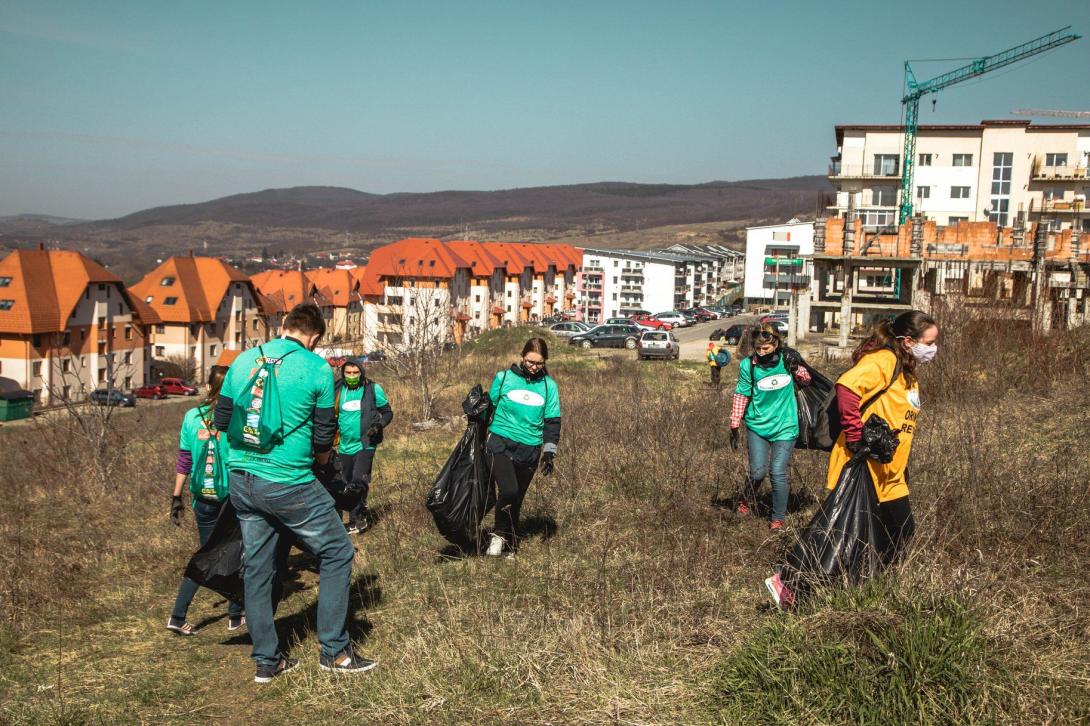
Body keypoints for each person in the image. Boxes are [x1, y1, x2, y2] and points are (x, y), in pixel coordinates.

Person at [215, 303, 376, 683]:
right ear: (315, 337)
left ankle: (268, 661)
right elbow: (323, 438)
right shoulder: (318, 368)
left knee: (258, 567)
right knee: (337, 551)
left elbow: (222, 421)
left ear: (283, 326)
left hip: (241, 477)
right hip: (288, 480)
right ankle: (335, 652)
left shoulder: (242, 361)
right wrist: (322, 464)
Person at [764, 310, 939, 609]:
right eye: (929, 342)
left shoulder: (907, 372)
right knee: (845, 529)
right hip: (863, 464)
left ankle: (868, 589)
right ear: (908, 341)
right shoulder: (885, 360)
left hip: (891, 472)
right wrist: (856, 436)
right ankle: (788, 583)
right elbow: (847, 388)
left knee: (893, 532)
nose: (933, 349)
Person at [167, 365, 244, 636]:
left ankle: (178, 615)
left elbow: (184, 459)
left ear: (209, 386)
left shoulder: (191, 416)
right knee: (236, 552)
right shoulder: (236, 416)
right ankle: (235, 614)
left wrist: (176, 495)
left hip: (202, 496)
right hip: (229, 495)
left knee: (207, 556)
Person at [728, 324, 811, 530]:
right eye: (758, 348)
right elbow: (742, 393)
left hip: (785, 426)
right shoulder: (749, 365)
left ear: (776, 344)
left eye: (766, 348)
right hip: (758, 425)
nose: (762, 352)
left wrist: (796, 369)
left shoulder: (786, 360)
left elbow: (807, 380)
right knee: (757, 472)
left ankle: (777, 519)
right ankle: (744, 500)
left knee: (777, 472)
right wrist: (735, 422)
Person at [484, 337, 562, 557]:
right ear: (522, 357)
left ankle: (511, 544)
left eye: (539, 363)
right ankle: (498, 535)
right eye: (530, 361)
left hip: (529, 449)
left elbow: (552, 421)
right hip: (500, 442)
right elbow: (489, 408)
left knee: (516, 500)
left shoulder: (549, 387)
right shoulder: (504, 378)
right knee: (509, 490)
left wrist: (549, 452)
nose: (534, 367)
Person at [333, 358, 393, 534]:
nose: (351, 376)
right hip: (343, 445)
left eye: (355, 373)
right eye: (348, 373)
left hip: (365, 443)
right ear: (343, 373)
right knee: (344, 483)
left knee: (358, 480)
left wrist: (378, 425)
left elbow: (388, 412)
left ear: (361, 372)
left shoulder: (373, 389)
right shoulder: (337, 389)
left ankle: (357, 519)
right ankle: (339, 522)